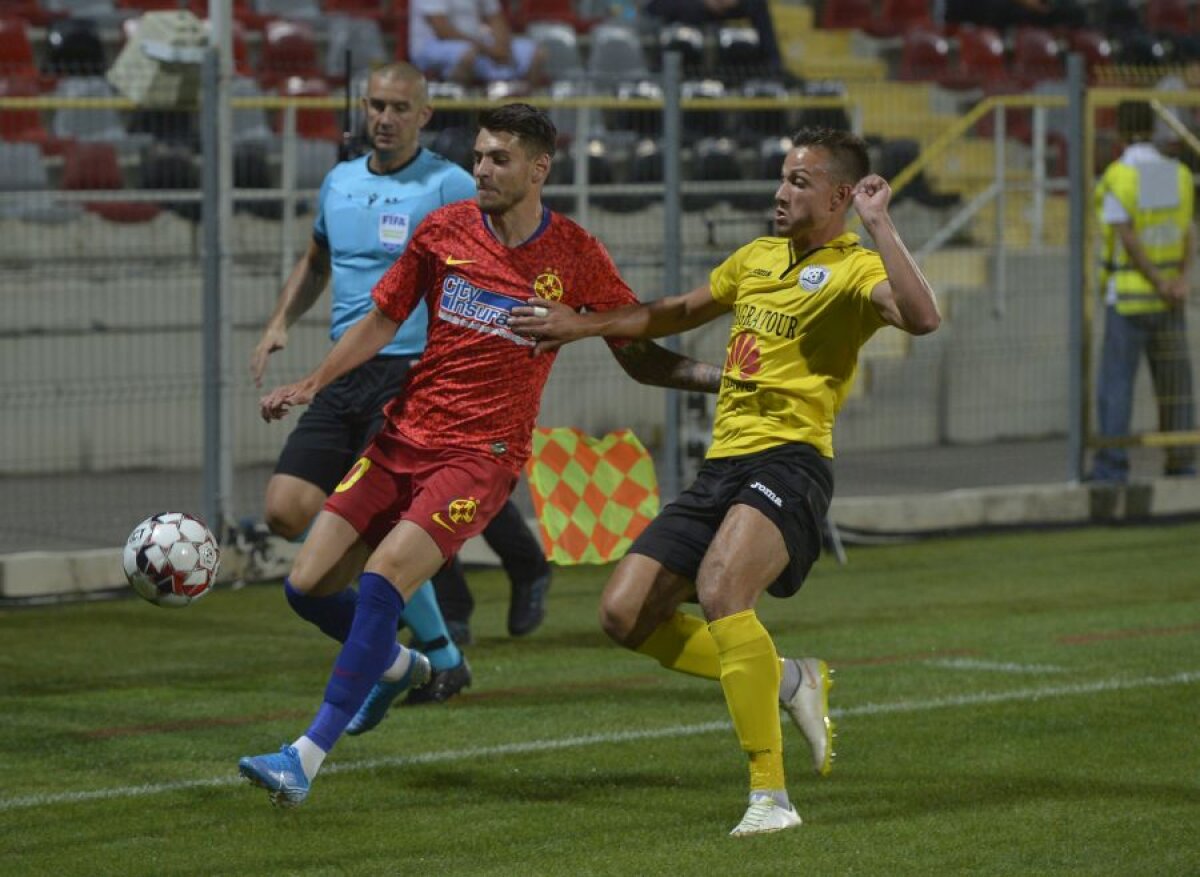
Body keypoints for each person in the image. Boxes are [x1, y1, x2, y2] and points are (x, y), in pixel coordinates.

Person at [237, 102, 723, 808]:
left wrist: (715, 376)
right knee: (305, 585)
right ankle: (399, 663)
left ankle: (304, 756)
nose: (483, 169)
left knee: (382, 578)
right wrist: (315, 381)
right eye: (478, 156)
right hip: (404, 435)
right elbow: (381, 318)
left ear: (538, 168)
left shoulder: (575, 255)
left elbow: (641, 355)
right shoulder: (443, 230)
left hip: (481, 456)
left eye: (499, 159)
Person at [510, 127, 941, 836]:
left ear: (839, 195)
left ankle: (771, 796)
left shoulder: (855, 269)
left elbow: (922, 316)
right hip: (724, 463)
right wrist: (582, 324)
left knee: (721, 589)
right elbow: (675, 313)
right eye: (782, 176)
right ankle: (792, 678)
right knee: (623, 614)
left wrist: (881, 222)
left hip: (792, 461)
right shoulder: (756, 257)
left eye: (800, 182)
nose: (780, 191)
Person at [247, 62, 544, 713]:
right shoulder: (339, 182)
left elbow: (509, 246)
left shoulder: (449, 184)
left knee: (387, 525)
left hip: (415, 372)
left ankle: (432, 648)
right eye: (375, 105)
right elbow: (318, 258)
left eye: (398, 107)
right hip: (345, 370)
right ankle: (415, 644)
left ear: (423, 115)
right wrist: (278, 322)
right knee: (285, 509)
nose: (383, 118)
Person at [1088, 101, 1196, 483]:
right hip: (1171, 300)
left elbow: (1128, 238)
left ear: (1118, 131)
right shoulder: (1175, 172)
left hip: (1131, 299)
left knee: (1116, 388)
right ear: (1153, 128)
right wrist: (1179, 280)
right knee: (1175, 387)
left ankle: (1111, 467)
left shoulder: (1120, 176)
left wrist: (1156, 280)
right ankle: (1183, 462)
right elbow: (1185, 232)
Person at [410, 0, 547, 87]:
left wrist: (503, 45)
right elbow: (442, 29)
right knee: (468, 55)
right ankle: (458, 118)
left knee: (536, 53)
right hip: (433, 46)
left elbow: (495, 18)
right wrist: (490, 51)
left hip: (478, 44)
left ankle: (526, 115)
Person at [644, 0, 783, 75]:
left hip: (732, 73)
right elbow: (653, 7)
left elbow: (769, 44)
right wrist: (703, 3)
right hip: (684, 72)